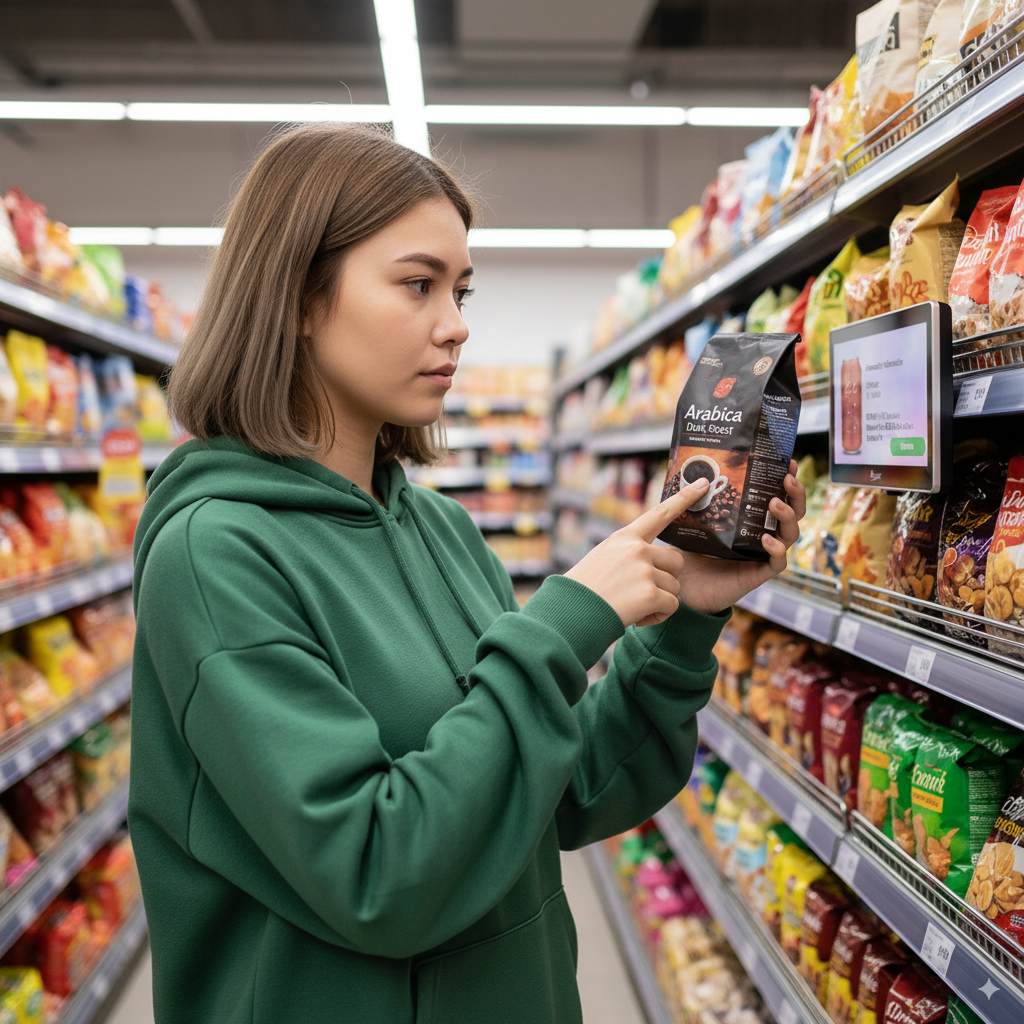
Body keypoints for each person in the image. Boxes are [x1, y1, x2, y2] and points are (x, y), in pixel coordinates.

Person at [129, 123, 805, 1024]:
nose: (457, 325)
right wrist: (563, 623)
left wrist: (686, 616)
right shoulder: (214, 555)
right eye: (417, 285)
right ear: (296, 293)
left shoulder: (441, 529)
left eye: (461, 289)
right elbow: (378, 870)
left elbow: (559, 795)